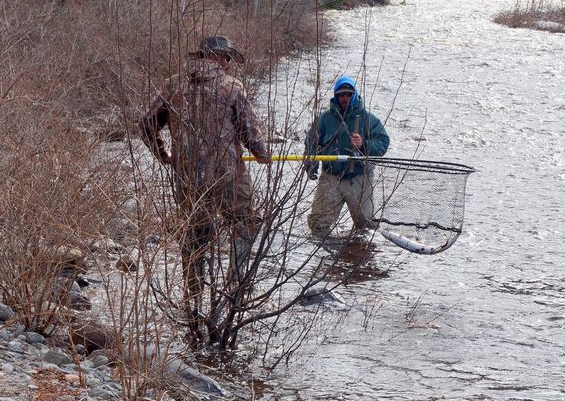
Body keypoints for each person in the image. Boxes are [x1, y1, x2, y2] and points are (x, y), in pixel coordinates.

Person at [138, 35, 271, 333]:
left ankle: (194, 299)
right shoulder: (232, 87)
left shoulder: (173, 85)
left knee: (195, 236)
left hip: (187, 178)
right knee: (247, 223)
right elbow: (249, 132)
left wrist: (165, 156)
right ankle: (235, 286)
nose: (229, 65)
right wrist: (263, 155)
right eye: (228, 59)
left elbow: (146, 124)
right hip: (227, 177)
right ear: (220, 58)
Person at [304, 75, 390, 235]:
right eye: (341, 95)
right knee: (317, 225)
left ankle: (357, 253)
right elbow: (311, 142)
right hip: (330, 177)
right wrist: (311, 163)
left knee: (366, 228)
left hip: (358, 177)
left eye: (348, 94)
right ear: (336, 96)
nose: (345, 98)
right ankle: (325, 257)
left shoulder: (368, 119)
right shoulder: (324, 119)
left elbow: (384, 142)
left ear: (354, 95)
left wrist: (363, 144)